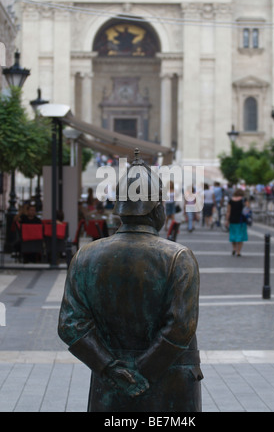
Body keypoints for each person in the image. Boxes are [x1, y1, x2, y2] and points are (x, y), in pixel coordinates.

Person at [58, 149, 203, 412]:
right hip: (169, 380)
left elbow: (70, 325)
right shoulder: (179, 257)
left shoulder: (85, 256)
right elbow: (180, 327)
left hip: (111, 384)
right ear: (158, 208)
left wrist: (112, 369)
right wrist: (140, 372)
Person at [225, 188, 249, 257]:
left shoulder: (231, 201)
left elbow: (228, 212)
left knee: (233, 235)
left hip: (232, 220)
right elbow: (248, 209)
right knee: (240, 236)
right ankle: (238, 251)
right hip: (241, 220)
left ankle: (234, 248)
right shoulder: (244, 200)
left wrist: (227, 220)